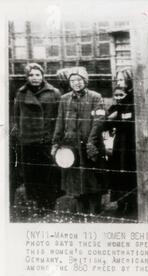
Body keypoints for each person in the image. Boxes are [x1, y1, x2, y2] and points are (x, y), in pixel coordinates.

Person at [52, 67, 107, 215]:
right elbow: (60, 121)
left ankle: (95, 209)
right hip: (71, 146)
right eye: (73, 80)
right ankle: (81, 210)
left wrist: (91, 141)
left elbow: (99, 120)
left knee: (93, 180)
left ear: (85, 81)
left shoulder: (96, 97)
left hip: (91, 143)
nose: (76, 83)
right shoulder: (64, 99)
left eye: (79, 80)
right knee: (75, 180)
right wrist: (56, 142)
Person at [12, 63, 62, 212]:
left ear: (43, 76)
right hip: (28, 140)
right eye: (31, 75)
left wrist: (56, 138)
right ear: (27, 77)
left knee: (48, 174)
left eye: (37, 75)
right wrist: (20, 134)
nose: (34, 78)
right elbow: (16, 115)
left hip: (47, 139)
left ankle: (49, 204)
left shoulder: (54, 92)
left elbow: (59, 116)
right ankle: (38, 203)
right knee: (32, 174)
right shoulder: (21, 93)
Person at [105, 85, 137, 217]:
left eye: (121, 95)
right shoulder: (113, 108)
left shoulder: (131, 107)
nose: (118, 98)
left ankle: (131, 204)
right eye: (116, 95)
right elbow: (106, 124)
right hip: (118, 145)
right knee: (118, 173)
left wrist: (115, 119)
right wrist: (110, 119)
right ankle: (120, 203)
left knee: (129, 173)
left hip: (130, 144)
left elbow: (128, 124)